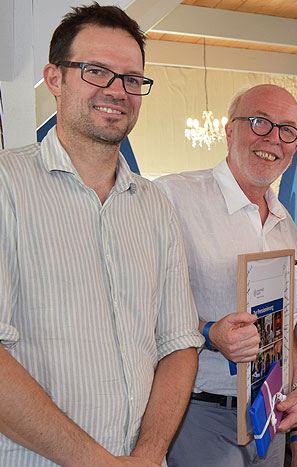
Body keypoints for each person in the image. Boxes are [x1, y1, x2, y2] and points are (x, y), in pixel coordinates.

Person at [0, 4, 202, 466]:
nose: (118, 91)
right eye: (96, 71)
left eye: (133, 78)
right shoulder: (7, 186)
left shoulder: (155, 206)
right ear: (55, 79)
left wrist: (149, 454)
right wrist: (96, 461)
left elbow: (178, 343)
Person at [154, 84, 297, 467]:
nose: (273, 139)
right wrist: (209, 333)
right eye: (260, 122)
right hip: (198, 415)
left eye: (287, 130)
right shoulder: (171, 198)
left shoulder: (284, 224)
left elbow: (280, 324)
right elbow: (137, 306)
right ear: (229, 130)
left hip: (269, 416)